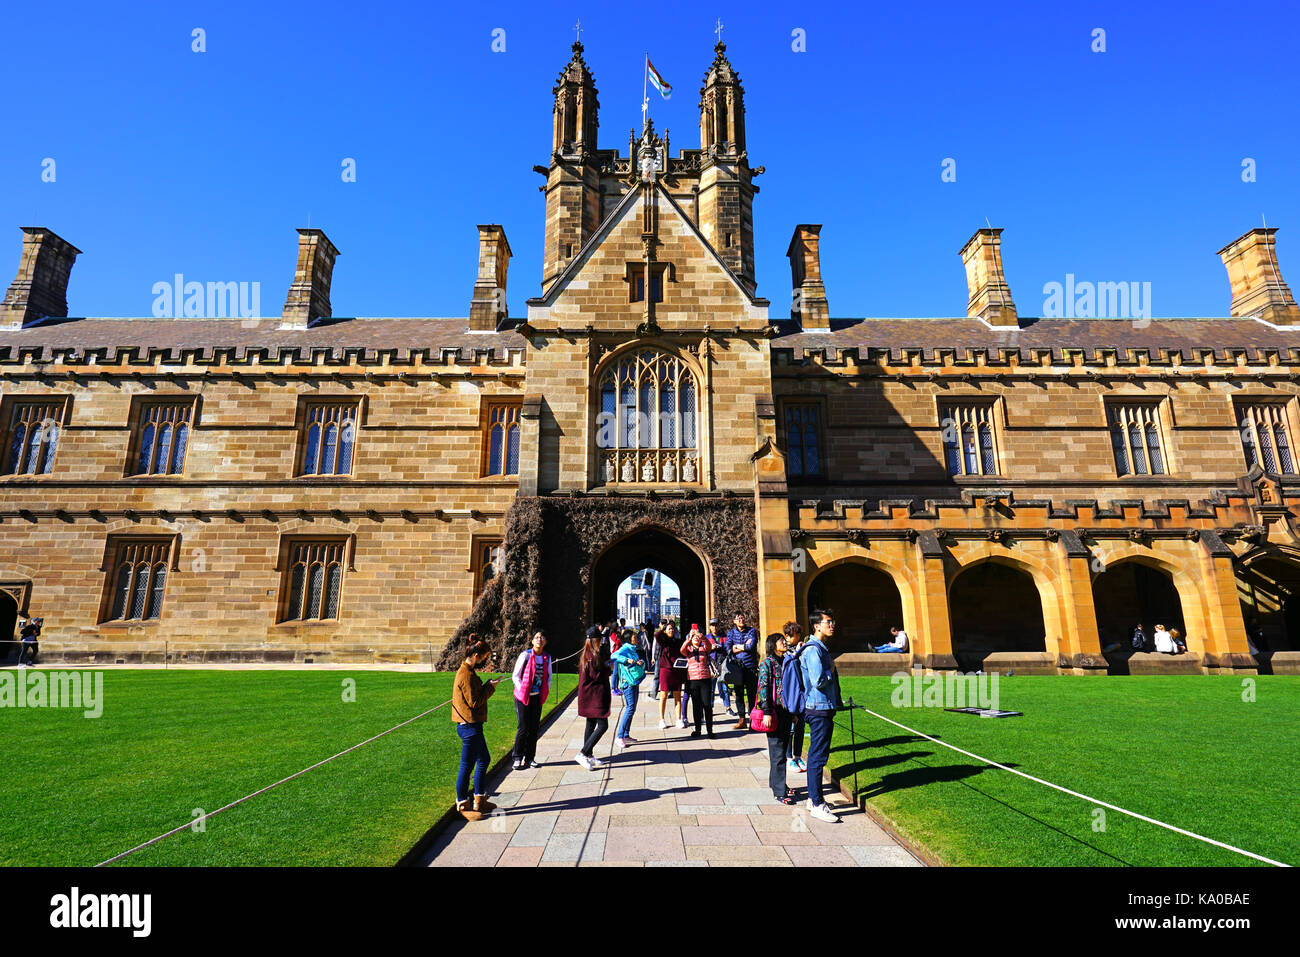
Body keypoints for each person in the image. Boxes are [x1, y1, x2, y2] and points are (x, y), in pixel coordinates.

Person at [452, 640, 502, 822]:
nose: (483, 661)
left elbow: (473, 695)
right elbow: (474, 702)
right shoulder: (465, 674)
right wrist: (490, 688)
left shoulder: (468, 672)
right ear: (475, 656)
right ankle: (462, 804)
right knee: (466, 765)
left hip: (472, 725)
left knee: (483, 759)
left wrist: (487, 685)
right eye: (483, 658)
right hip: (469, 726)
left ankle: (479, 799)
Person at [801, 609, 843, 824]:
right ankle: (817, 803)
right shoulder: (814, 650)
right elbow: (818, 680)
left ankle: (812, 799)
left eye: (832, 621)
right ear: (817, 625)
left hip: (821, 706)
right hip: (818, 708)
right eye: (828, 622)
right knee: (818, 757)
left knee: (818, 755)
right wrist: (831, 668)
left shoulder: (819, 648)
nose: (832, 625)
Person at [758, 634, 797, 805]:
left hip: (786, 711)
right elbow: (763, 687)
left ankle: (776, 783)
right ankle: (779, 792)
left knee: (781, 749)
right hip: (773, 712)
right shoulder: (767, 663)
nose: (784, 642)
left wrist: (794, 712)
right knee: (778, 752)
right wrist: (766, 711)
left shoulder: (786, 660)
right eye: (781, 640)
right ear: (773, 645)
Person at [510, 631, 552, 771]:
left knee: (534, 728)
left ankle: (530, 758)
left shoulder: (546, 657)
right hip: (523, 696)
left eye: (541, 637)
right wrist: (523, 690)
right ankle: (517, 757)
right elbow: (515, 676)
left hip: (537, 696)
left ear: (545, 641)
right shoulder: (526, 655)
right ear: (532, 641)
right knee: (523, 727)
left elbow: (549, 677)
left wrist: (544, 690)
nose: (539, 639)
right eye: (536, 637)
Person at [577, 628, 612, 770]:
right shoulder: (591, 656)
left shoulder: (590, 654)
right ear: (594, 640)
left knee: (590, 724)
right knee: (603, 725)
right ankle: (583, 753)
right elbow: (596, 676)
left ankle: (589, 755)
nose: (601, 642)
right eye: (600, 640)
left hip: (590, 695)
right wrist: (609, 669)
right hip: (593, 695)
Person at [612, 633, 647, 750]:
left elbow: (634, 662)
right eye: (635, 637)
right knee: (630, 708)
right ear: (629, 639)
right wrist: (627, 660)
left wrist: (639, 662)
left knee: (632, 708)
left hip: (634, 681)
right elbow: (614, 656)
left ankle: (626, 735)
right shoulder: (626, 648)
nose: (637, 639)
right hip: (628, 683)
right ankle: (619, 736)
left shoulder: (632, 649)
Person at [680, 624, 716, 738]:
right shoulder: (688, 649)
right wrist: (689, 638)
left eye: (697, 636)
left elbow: (709, 646)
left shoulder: (704, 648)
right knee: (696, 705)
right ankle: (698, 729)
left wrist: (703, 637)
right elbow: (682, 650)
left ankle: (710, 730)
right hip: (692, 679)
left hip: (705, 679)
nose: (696, 637)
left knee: (707, 705)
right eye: (693, 636)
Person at [726, 612, 759, 731]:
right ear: (734, 621)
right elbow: (728, 648)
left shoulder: (751, 631)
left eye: (742, 617)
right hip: (737, 668)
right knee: (739, 694)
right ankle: (741, 720)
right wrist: (743, 646)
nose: (741, 620)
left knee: (752, 694)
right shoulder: (731, 633)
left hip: (750, 667)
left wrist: (737, 647)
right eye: (738, 618)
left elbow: (751, 646)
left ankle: (753, 720)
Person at [782, 620, 806, 777]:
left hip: (801, 693)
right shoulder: (785, 652)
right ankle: (788, 757)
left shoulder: (802, 650)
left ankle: (797, 756)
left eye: (795, 635)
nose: (792, 638)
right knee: (790, 728)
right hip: (789, 695)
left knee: (800, 727)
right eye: (791, 635)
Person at [655, 626, 685, 729]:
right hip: (665, 669)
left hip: (677, 669)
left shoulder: (677, 641)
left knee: (677, 695)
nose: (671, 630)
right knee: (663, 695)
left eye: (673, 629)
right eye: (669, 629)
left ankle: (678, 719)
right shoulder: (663, 642)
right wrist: (662, 629)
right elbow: (656, 635)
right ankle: (662, 719)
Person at [707, 618, 734, 716]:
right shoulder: (706, 638)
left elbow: (728, 649)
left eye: (716, 625)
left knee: (725, 687)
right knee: (711, 689)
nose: (714, 627)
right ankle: (710, 708)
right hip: (712, 665)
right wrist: (711, 648)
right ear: (710, 627)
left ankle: (728, 707)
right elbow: (703, 650)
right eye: (712, 625)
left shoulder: (724, 637)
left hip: (722, 664)